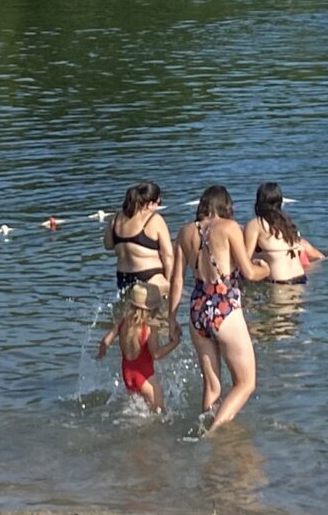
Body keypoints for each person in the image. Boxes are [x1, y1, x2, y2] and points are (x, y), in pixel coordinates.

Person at [178, 185, 271, 433]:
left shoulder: (185, 231)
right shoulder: (229, 227)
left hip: (197, 308)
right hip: (224, 307)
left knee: (212, 386)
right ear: (226, 206)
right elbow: (249, 273)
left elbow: (176, 280)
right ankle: (213, 433)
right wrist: (265, 269)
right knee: (246, 383)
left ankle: (203, 428)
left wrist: (170, 319)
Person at [94, 285, 180, 416]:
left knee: (138, 414)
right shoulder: (149, 328)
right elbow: (156, 354)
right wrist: (174, 343)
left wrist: (101, 354)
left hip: (127, 377)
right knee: (161, 415)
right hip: (145, 378)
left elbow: (105, 341)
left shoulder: (123, 322)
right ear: (153, 308)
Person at [104, 181, 175, 306]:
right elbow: (168, 255)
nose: (158, 207)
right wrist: (170, 283)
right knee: (167, 309)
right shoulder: (154, 219)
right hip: (150, 277)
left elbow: (108, 245)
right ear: (149, 204)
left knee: (131, 315)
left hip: (124, 278)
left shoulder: (115, 219)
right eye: (158, 203)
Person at [243, 183, 326, 285]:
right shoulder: (287, 223)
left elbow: (244, 261)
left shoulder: (256, 224)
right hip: (302, 279)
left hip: (280, 283)